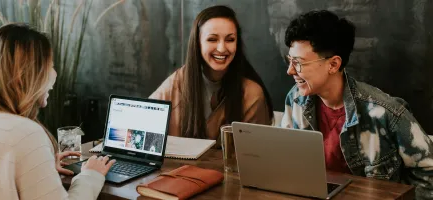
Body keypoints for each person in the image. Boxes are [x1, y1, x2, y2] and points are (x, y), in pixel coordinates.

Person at [280, 10, 433, 199]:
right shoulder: (295, 99)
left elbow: (429, 172)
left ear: (333, 65)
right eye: (290, 60)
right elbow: (286, 163)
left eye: (298, 63)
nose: (290, 70)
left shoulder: (384, 112)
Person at [0, 23, 115, 200]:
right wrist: (90, 175)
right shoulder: (27, 133)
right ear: (30, 74)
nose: (54, 74)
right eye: (50, 66)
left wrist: (41, 164)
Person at [150, 5, 273, 142]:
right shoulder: (177, 81)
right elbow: (143, 121)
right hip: (178, 164)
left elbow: (255, 155)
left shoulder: (252, 94)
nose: (221, 48)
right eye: (212, 39)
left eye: (230, 39)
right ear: (198, 43)